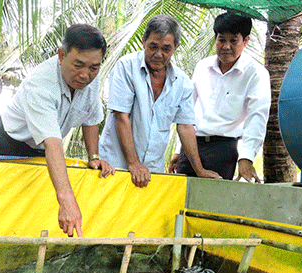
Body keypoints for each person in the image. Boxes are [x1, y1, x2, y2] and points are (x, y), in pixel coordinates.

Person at [0, 24, 115, 237]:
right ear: (61, 55)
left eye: (93, 68)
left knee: (37, 207)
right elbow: (53, 143)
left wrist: (94, 156)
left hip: (42, 149)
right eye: (79, 65)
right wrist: (68, 203)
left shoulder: (91, 76)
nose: (85, 75)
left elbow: (91, 117)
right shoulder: (40, 85)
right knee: (5, 207)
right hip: (8, 142)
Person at [98, 14, 220, 188]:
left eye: (166, 49)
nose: (158, 54)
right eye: (153, 47)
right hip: (114, 166)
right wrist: (134, 163)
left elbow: (185, 127)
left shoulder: (182, 83)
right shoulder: (126, 66)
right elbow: (121, 116)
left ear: (176, 47)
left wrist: (199, 170)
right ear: (143, 41)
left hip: (152, 171)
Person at [169, 12, 271, 182]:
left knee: (211, 204)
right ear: (215, 38)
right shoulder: (202, 66)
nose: (226, 47)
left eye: (233, 41)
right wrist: (180, 149)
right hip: (191, 145)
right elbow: (187, 111)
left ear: (245, 41)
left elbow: (257, 118)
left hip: (223, 150)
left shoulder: (256, 74)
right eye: (222, 40)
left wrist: (246, 158)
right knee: (181, 200)